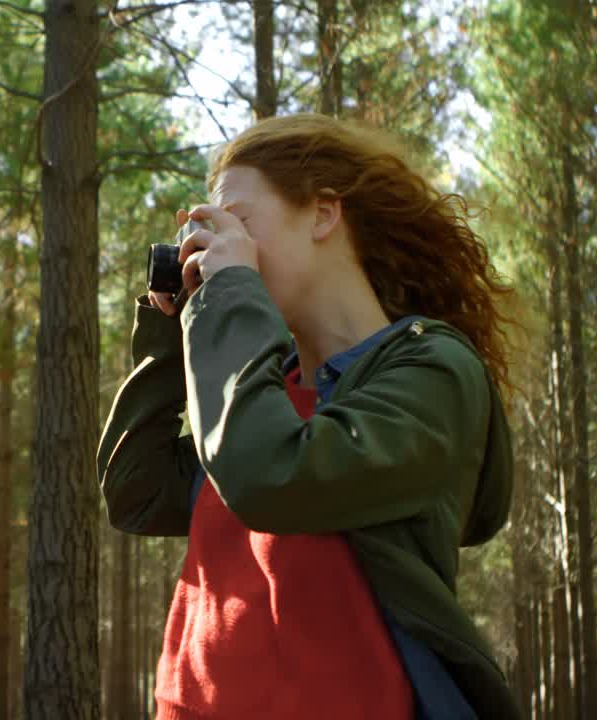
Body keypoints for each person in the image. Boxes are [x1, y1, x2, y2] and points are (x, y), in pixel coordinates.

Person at [97, 113, 520, 720]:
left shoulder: (430, 370)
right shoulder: (265, 386)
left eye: (239, 221)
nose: (217, 246)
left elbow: (272, 474)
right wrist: (171, 334)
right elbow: (136, 492)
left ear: (323, 214)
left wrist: (230, 297)